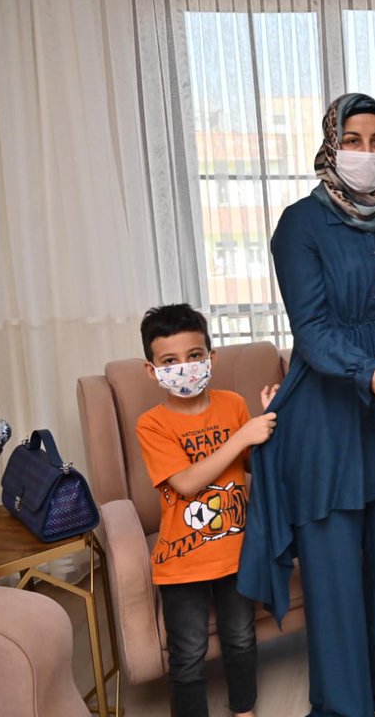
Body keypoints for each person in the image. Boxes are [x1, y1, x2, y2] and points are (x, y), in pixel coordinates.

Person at [237, 93, 375, 717]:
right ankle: (344, 702)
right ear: (331, 144)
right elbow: (314, 329)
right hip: (325, 412)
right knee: (332, 570)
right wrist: (366, 370)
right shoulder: (299, 225)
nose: (367, 153)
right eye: (354, 140)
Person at [136, 303, 278, 717]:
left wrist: (271, 424)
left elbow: (252, 465)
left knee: (241, 638)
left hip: (235, 553)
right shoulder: (152, 424)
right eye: (170, 361)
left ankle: (244, 710)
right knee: (188, 653)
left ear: (211, 358)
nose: (184, 367)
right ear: (152, 371)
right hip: (181, 563)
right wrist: (242, 437)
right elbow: (184, 483)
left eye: (194, 355)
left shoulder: (233, 405)